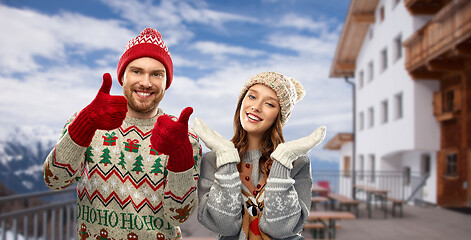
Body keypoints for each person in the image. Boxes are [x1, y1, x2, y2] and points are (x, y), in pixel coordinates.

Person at [43, 28, 201, 239]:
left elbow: (179, 216)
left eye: (157, 74)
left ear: (166, 82)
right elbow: (55, 180)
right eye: (137, 71)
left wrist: (180, 156)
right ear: (122, 77)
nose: (146, 82)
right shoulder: (86, 120)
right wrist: (85, 124)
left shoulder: (184, 137)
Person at [195, 71, 326, 239]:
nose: (256, 107)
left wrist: (283, 160)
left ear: (279, 116)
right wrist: (226, 157)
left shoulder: (297, 163)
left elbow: (281, 229)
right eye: (251, 97)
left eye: (270, 104)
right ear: (241, 102)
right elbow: (224, 226)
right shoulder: (214, 160)